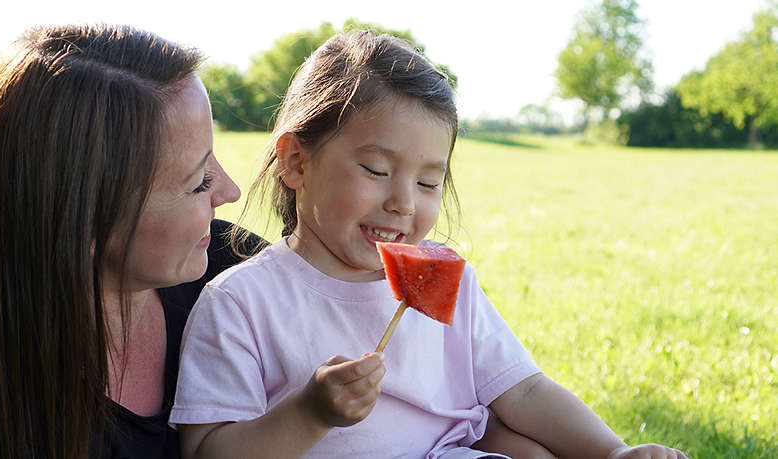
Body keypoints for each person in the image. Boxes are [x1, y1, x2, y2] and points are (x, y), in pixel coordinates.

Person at [170, 30, 688, 459]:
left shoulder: (446, 278)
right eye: (376, 170)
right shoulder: (241, 303)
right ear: (296, 163)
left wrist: (614, 452)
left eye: (427, 183)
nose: (403, 203)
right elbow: (207, 452)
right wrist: (309, 413)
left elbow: (524, 389)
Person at [0, 23, 264, 458]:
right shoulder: (16, 428)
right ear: (85, 224)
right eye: (199, 182)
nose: (230, 191)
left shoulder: (230, 265)